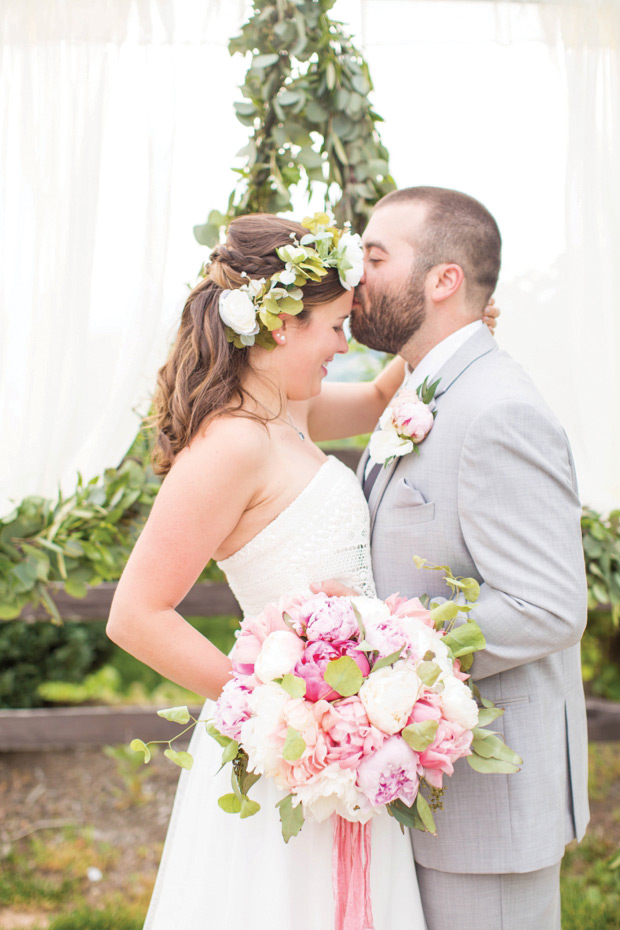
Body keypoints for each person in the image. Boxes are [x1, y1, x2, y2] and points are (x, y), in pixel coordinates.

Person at [107, 212, 431, 929]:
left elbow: (379, 400)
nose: (341, 346)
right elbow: (135, 614)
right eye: (335, 327)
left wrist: (443, 323)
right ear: (283, 323)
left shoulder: (292, 415)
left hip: (342, 741)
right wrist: (284, 712)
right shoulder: (231, 446)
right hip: (290, 742)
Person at [321, 186, 589, 930]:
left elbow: (548, 605)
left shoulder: (497, 409)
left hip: (488, 814)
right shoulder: (429, 386)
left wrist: (381, 665)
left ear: (443, 280)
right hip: (428, 792)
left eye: (375, 257)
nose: (357, 276)